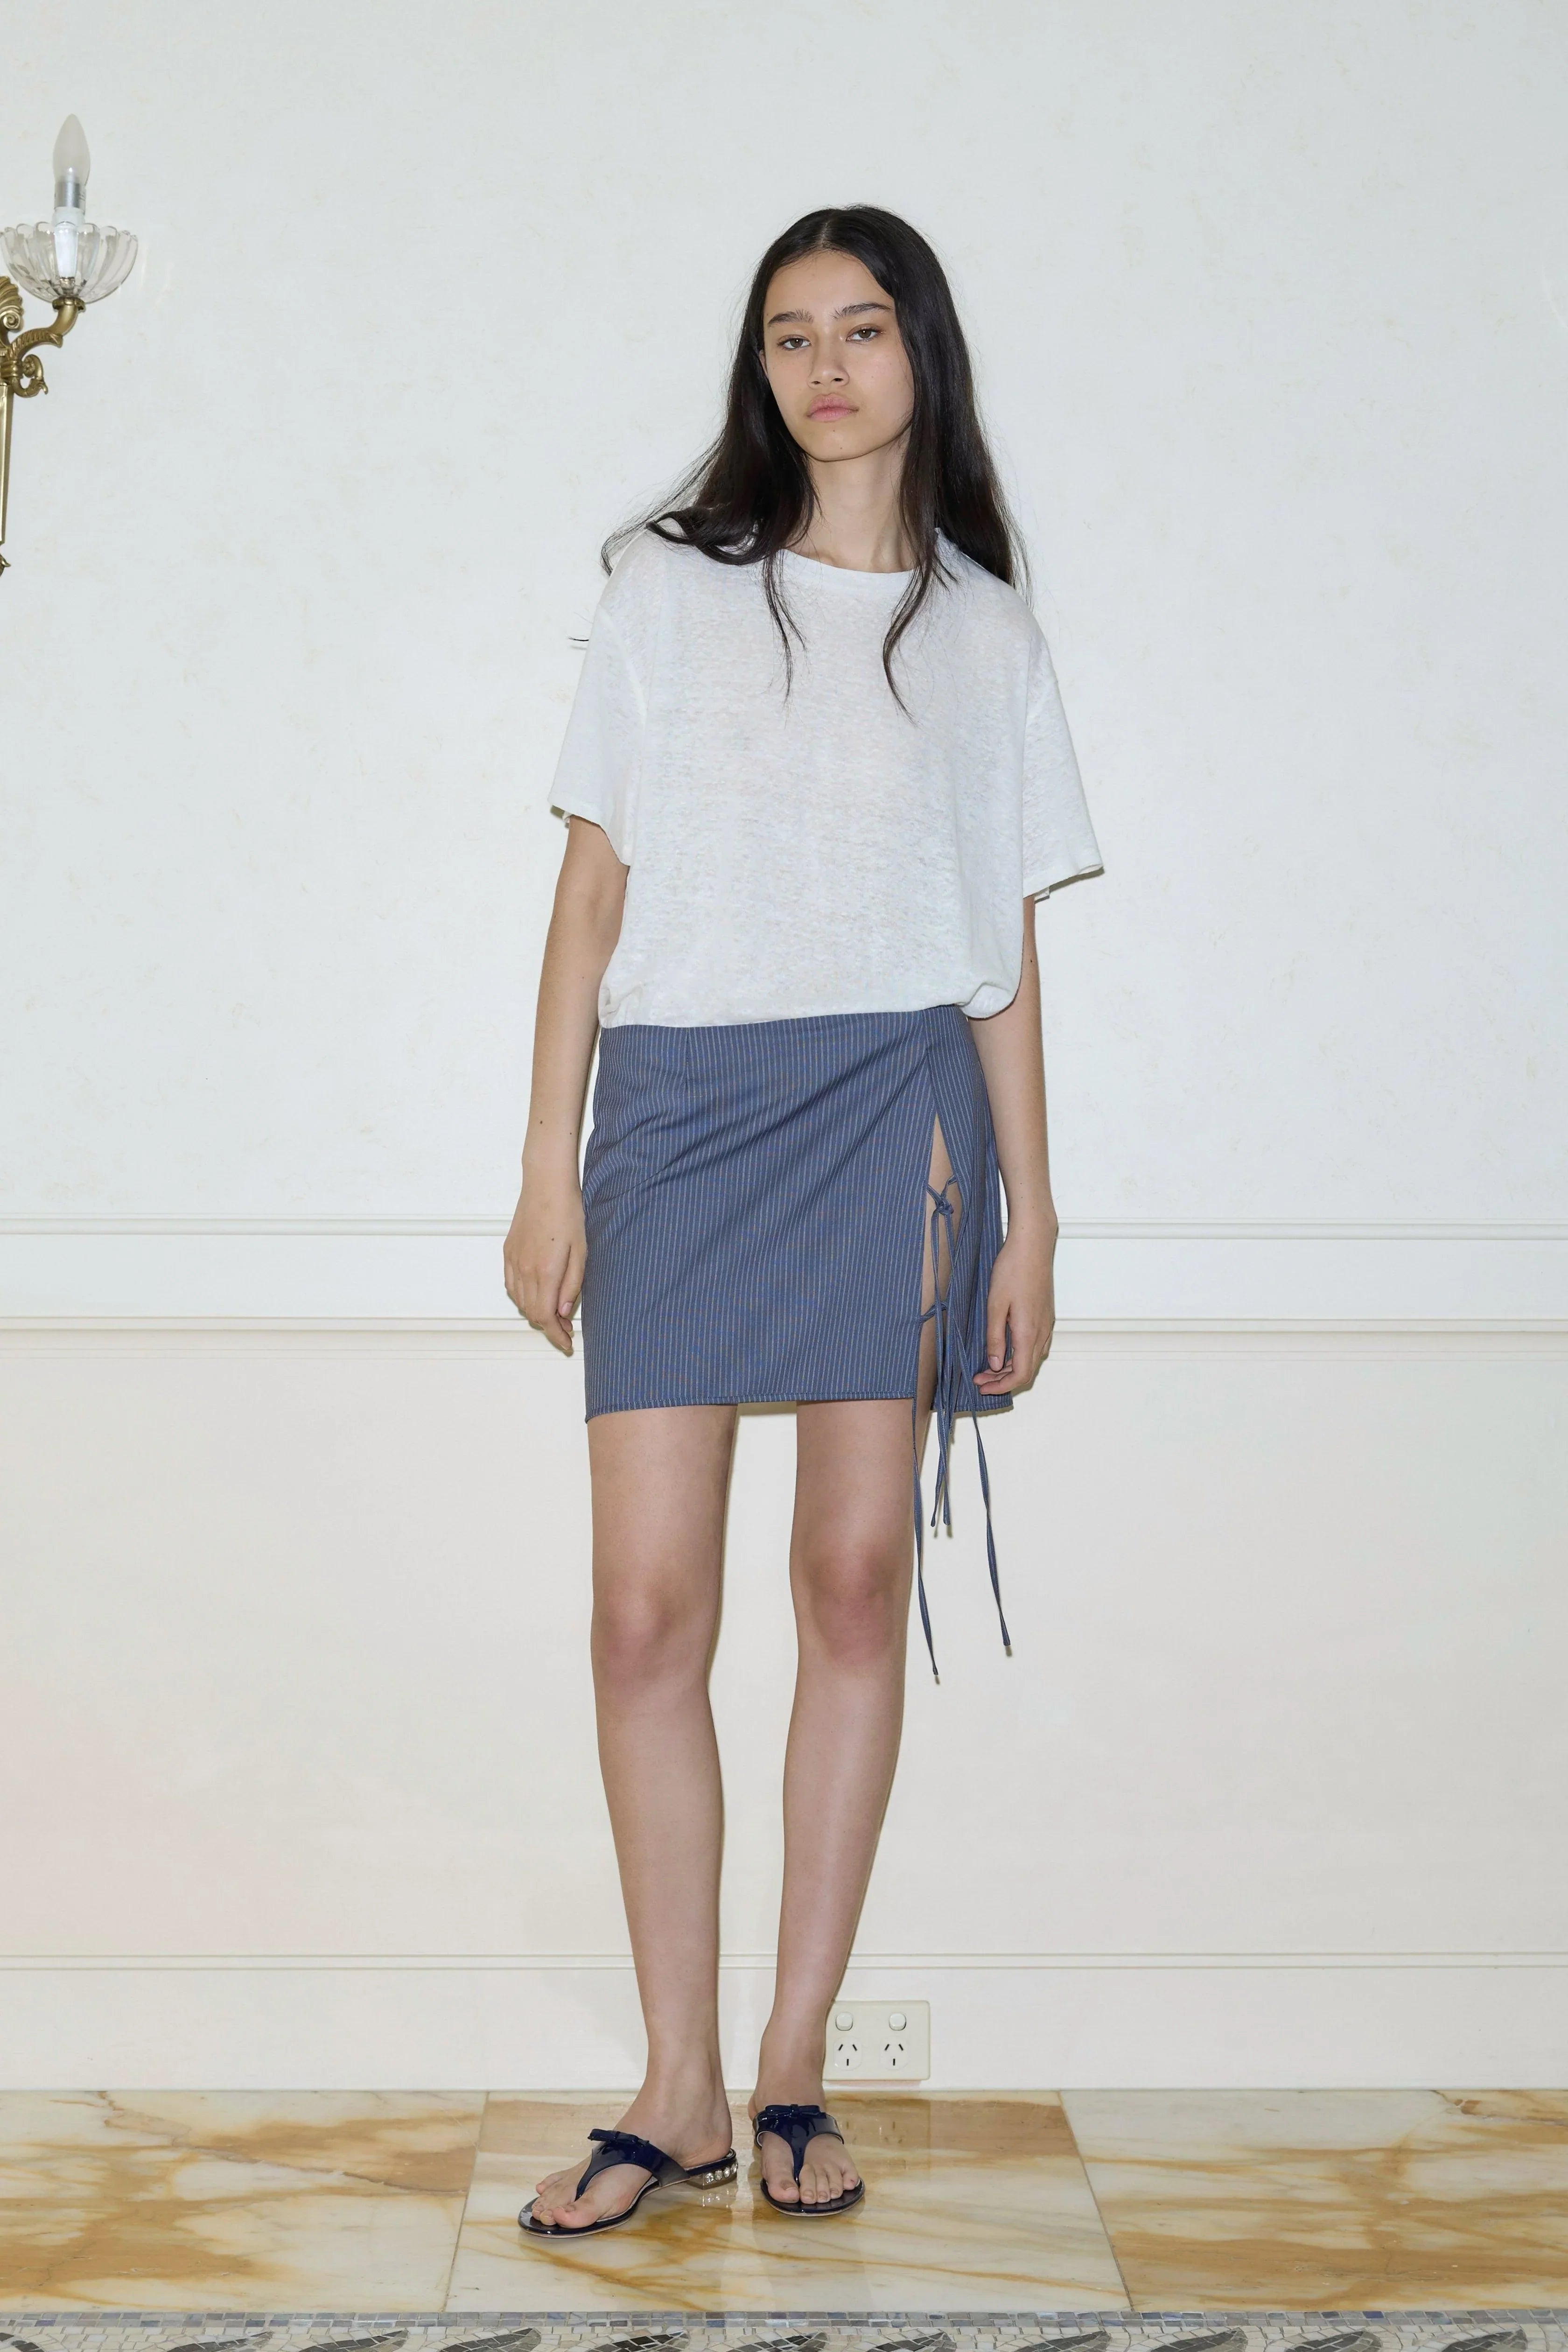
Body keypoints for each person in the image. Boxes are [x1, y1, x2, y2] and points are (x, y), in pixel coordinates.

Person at [503, 203, 1103, 2238]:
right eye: (789, 335)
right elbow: (591, 893)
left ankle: (785, 2067)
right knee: (643, 1616)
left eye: (861, 328)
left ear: (922, 353)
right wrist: (545, 1167)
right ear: (758, 370)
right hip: (678, 1113)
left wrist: (1032, 1218)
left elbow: (1001, 948)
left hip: (896, 1116)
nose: (825, 366)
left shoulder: (990, 635)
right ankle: (669, 2087)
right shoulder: (668, 594)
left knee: (851, 1589)